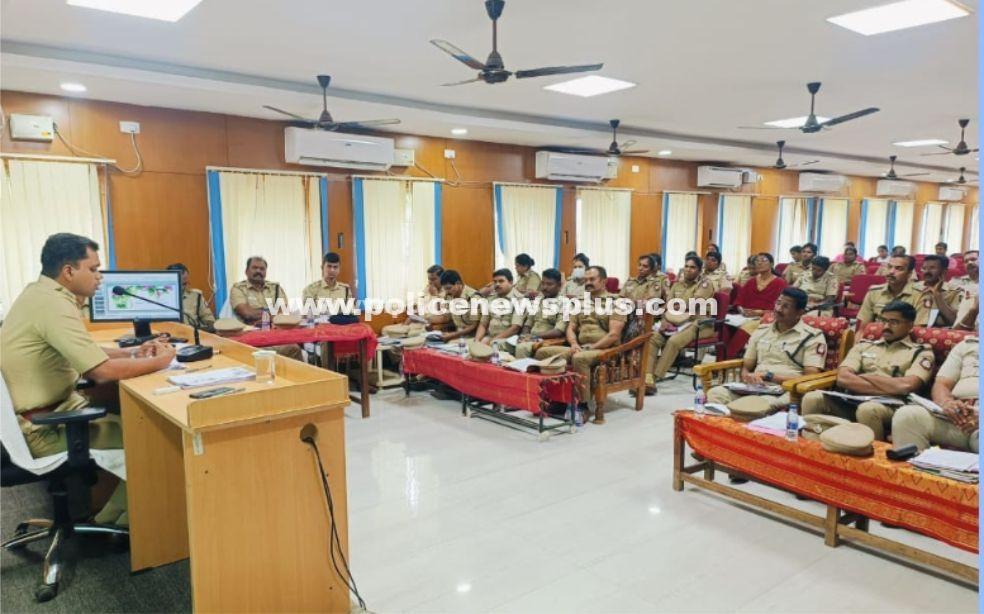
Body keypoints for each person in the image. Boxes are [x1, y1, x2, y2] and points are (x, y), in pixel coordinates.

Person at [2, 233, 177, 526]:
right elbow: (100, 372)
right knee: (153, 440)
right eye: (93, 269)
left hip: (42, 415)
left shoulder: (40, 295)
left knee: (139, 425)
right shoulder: (53, 306)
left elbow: (85, 352)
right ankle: (119, 525)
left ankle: (109, 518)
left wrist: (133, 352)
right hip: (45, 428)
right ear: (69, 272)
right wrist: (163, 360)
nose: (99, 277)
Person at [802, 301, 933, 441]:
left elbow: (906, 386)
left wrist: (864, 377)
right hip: (851, 400)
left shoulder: (921, 352)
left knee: (868, 409)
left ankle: (872, 456)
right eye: (883, 321)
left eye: (894, 322)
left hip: (890, 406)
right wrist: (890, 385)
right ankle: (810, 447)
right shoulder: (864, 346)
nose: (886, 326)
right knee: (812, 398)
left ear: (910, 326)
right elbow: (843, 378)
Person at [707, 288, 826, 414]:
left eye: (786, 306)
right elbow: (747, 366)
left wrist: (769, 376)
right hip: (755, 387)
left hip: (784, 391)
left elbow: (810, 377)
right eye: (778, 303)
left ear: (799, 312)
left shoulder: (812, 337)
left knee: (753, 406)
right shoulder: (762, 331)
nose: (778, 309)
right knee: (715, 394)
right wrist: (746, 377)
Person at [535, 266, 626, 416]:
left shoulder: (617, 302)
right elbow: (570, 327)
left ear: (603, 281)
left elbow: (613, 335)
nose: (588, 282)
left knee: (579, 358)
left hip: (605, 349)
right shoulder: (579, 302)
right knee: (543, 353)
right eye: (586, 279)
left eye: (592, 279)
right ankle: (557, 400)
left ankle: (582, 405)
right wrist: (574, 344)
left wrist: (591, 347)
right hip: (581, 347)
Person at [892, 336, 978, 452]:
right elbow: (942, 384)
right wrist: (947, 402)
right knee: (908, 416)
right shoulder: (967, 345)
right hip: (960, 416)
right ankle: (911, 470)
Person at [644, 255, 716, 394]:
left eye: (693, 267)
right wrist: (665, 320)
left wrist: (676, 307)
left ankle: (655, 377)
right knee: (652, 338)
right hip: (674, 322)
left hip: (699, 324)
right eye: (686, 266)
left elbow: (694, 304)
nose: (688, 270)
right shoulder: (677, 284)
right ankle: (647, 376)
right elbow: (667, 305)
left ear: (700, 270)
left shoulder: (705, 284)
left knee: (673, 341)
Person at [727, 253, 787, 357]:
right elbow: (739, 299)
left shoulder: (780, 283)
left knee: (746, 328)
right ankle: (721, 359)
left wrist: (760, 312)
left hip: (766, 317)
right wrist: (740, 309)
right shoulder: (751, 281)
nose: (759, 263)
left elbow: (782, 306)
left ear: (771, 264)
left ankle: (730, 359)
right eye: (757, 261)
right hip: (745, 315)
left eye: (763, 260)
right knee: (724, 324)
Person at [514, 268, 567, 359]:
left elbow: (558, 331)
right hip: (530, 339)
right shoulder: (538, 300)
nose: (544, 287)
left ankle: (521, 372)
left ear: (559, 286)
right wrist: (524, 336)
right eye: (543, 283)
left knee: (521, 348)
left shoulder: (564, 304)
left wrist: (532, 337)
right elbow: (528, 324)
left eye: (549, 284)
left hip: (547, 340)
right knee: (498, 344)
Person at [857, 255, 919, 326]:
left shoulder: (919, 295)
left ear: (909, 274)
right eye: (889, 267)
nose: (891, 272)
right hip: (876, 334)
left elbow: (918, 331)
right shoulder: (874, 292)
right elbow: (863, 329)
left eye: (898, 268)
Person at [229, 256, 289, 325]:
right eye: (254, 268)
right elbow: (246, 313)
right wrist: (273, 316)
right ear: (246, 271)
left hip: (275, 329)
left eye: (262, 269)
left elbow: (284, 311)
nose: (258, 271)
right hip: (248, 330)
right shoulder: (238, 288)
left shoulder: (276, 288)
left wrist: (268, 318)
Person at [474, 268, 524, 348]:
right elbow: (483, 324)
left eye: (501, 281)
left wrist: (490, 342)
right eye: (495, 282)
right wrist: (476, 341)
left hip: (509, 340)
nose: (497, 284)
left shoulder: (519, 300)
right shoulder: (491, 299)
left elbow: (515, 328)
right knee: (470, 346)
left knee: (486, 347)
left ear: (511, 282)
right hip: (490, 337)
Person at [166, 263, 216, 332]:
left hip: (193, 334)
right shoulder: (161, 298)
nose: (183, 287)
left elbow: (210, 320)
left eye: (185, 283)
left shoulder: (196, 296)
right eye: (179, 283)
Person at [914, 255, 961, 327]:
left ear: (944, 272)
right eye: (924, 268)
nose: (927, 271)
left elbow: (954, 321)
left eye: (932, 268)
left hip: (938, 333)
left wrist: (937, 295)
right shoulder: (913, 288)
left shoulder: (954, 291)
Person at [439, 269, 481, 342]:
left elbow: (473, 326)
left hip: (473, 337)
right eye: (445, 289)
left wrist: (452, 335)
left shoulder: (473, 298)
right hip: (458, 335)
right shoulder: (449, 296)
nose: (447, 291)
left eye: (449, 288)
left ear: (458, 283)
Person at [953, 250, 979, 329]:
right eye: (966, 261)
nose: (970, 263)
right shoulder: (956, 282)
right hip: (961, 328)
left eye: (973, 259)